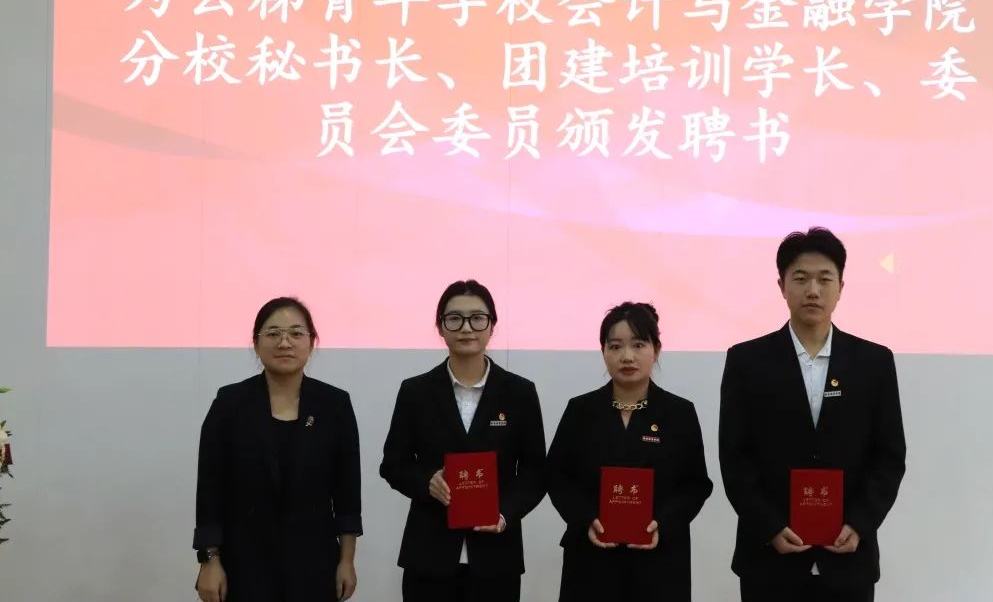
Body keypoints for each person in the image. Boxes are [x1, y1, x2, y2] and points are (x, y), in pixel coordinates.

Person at [719, 227, 907, 602]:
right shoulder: (746, 361)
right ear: (782, 285)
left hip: (848, 557)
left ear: (841, 287)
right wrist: (770, 527)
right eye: (801, 279)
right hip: (769, 559)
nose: (813, 291)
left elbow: (888, 456)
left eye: (825, 279)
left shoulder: (873, 362)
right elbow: (735, 457)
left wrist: (860, 523)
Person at [379, 280, 547, 601]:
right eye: (454, 318)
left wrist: (504, 513)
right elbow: (393, 465)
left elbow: (535, 472)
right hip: (429, 554)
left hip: (497, 556)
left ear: (492, 326)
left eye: (477, 318)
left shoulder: (519, 393)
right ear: (440, 327)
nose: (466, 328)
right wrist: (427, 481)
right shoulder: (416, 392)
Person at [193, 297, 363, 602]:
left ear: (311, 342)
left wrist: (347, 560)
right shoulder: (230, 404)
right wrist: (209, 561)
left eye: (296, 333)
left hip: (315, 563)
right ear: (256, 344)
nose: (285, 342)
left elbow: (347, 493)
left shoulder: (334, 405)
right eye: (273, 333)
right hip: (243, 563)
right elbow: (210, 490)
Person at [547, 302, 713, 602]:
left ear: (656, 350)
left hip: (660, 562)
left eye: (638, 345)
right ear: (603, 351)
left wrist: (663, 523)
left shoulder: (679, 413)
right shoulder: (580, 411)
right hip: (591, 560)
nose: (627, 356)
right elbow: (557, 477)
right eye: (615, 346)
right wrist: (585, 519)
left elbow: (696, 485)